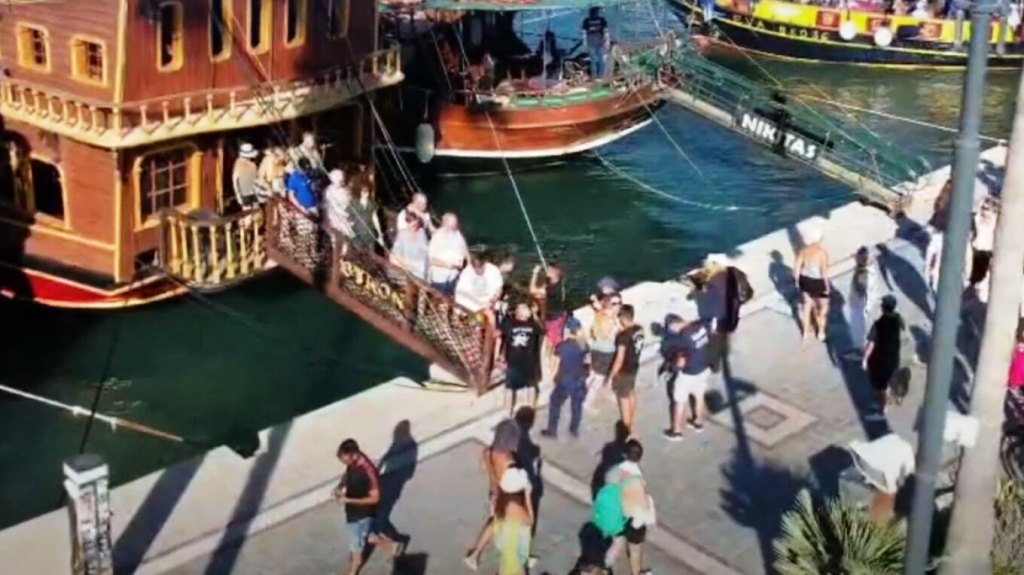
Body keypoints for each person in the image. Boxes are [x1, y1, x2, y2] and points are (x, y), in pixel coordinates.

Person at [333, 439, 403, 575]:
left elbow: (375, 498)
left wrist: (348, 500)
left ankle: (353, 571)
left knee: (356, 547)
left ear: (354, 455)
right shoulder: (355, 462)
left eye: (345, 460)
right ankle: (391, 547)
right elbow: (348, 473)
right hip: (353, 512)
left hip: (361, 515)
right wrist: (340, 486)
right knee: (366, 536)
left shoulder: (368, 472)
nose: (345, 463)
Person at [465, 419, 522, 571]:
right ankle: (476, 554)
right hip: (507, 496)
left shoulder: (488, 452)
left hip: (494, 492)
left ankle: (475, 554)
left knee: (495, 522)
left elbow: (483, 467)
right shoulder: (510, 461)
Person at [604, 440, 655, 575]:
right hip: (636, 518)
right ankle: (636, 571)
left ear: (625, 454)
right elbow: (643, 502)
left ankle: (602, 568)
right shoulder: (637, 476)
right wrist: (649, 519)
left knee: (616, 544)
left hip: (618, 515)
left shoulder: (613, 472)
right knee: (635, 549)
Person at [660, 315, 710, 440]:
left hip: (689, 373)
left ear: (674, 325)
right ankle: (698, 422)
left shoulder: (682, 338)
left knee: (679, 400)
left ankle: (676, 431)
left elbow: (676, 358)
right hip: (703, 367)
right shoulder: (700, 328)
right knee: (699, 395)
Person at [542, 317, 590, 439]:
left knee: (555, 403)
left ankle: (552, 430)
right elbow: (587, 363)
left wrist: (553, 377)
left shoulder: (562, 346)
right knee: (577, 406)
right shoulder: (584, 345)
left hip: (564, 379)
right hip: (579, 379)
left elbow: (555, 363)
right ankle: (574, 429)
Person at [862, 295, 906, 420]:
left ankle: (883, 410)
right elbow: (903, 327)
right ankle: (894, 396)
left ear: (882, 307)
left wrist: (865, 358)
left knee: (883, 386)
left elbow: (871, 344)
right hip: (893, 356)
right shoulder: (897, 318)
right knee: (890, 379)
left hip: (881, 359)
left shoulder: (878, 324)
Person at [606, 304, 644, 437]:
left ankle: (628, 429)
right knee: (631, 392)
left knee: (623, 399)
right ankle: (631, 420)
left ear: (622, 318)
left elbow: (619, 359)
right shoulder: (639, 329)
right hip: (634, 367)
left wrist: (610, 377)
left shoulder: (623, 337)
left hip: (624, 371)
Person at [501, 302, 543, 415]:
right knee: (509, 388)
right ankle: (507, 413)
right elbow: (500, 330)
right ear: (518, 312)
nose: (527, 311)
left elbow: (542, 329)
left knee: (531, 386)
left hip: (530, 361)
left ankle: (530, 410)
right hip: (513, 362)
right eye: (524, 308)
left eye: (527, 308)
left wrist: (534, 314)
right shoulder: (509, 323)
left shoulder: (533, 324)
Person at [491, 467, 534, 575]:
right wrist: (528, 498)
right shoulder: (515, 508)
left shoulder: (500, 502)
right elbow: (529, 521)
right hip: (515, 558)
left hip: (506, 555)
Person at [794, 226, 831, 343]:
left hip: (805, 281)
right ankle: (821, 331)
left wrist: (797, 282)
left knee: (807, 306)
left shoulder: (803, 251)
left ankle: (805, 333)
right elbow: (823, 272)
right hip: (818, 283)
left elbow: (797, 268)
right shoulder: (821, 253)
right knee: (824, 306)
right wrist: (827, 287)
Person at [530, 262, 568, 370]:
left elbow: (532, 290)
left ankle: (553, 365)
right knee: (556, 339)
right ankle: (554, 362)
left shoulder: (552, 289)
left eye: (550, 270)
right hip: (560, 315)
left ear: (557, 272)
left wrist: (535, 273)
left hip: (553, 319)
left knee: (552, 342)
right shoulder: (559, 283)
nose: (547, 270)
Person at [587, 293, 621, 410]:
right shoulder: (608, 318)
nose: (617, 306)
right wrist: (615, 327)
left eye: (619, 303)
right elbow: (605, 335)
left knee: (597, 375)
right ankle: (587, 402)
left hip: (600, 350)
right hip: (604, 352)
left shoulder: (603, 313)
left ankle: (607, 392)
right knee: (599, 378)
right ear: (608, 304)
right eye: (614, 304)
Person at [845, 246, 878, 361]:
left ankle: (861, 352)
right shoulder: (869, 269)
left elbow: (861, 290)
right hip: (865, 305)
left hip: (860, 306)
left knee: (858, 330)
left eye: (857, 258)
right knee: (863, 330)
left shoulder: (863, 275)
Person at [456, 254, 505, 327]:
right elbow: (461, 294)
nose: (479, 270)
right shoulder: (466, 273)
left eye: (481, 267)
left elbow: (499, 288)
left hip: (489, 303)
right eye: (476, 268)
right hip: (473, 305)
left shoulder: (493, 270)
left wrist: (494, 299)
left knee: (491, 316)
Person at [428, 213, 469, 294]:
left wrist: (469, 266)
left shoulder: (457, 234)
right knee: (440, 298)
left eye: (455, 225)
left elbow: (465, 251)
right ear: (445, 225)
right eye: (452, 226)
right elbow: (431, 260)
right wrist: (448, 265)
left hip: (454, 277)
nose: (454, 228)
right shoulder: (437, 238)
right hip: (440, 280)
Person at [971, 197, 998, 303]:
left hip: (987, 252)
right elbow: (976, 212)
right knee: (976, 279)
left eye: (987, 209)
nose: (984, 212)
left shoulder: (994, 222)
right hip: (976, 250)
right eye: (983, 209)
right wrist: (982, 202)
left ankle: (980, 295)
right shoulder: (978, 220)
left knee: (982, 278)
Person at [389, 212, 429, 281]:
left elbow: (426, 251)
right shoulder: (402, 234)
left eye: (416, 224)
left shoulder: (422, 232)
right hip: (408, 268)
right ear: (407, 224)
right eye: (412, 224)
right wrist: (405, 266)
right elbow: (393, 256)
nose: (415, 226)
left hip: (421, 268)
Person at [347, 185, 384, 252]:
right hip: (357, 234)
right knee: (358, 252)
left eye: (366, 191)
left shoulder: (371, 204)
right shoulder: (354, 203)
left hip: (369, 233)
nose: (365, 193)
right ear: (360, 192)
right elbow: (347, 218)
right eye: (363, 191)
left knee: (371, 253)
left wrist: (379, 233)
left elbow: (375, 219)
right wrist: (349, 229)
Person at [323, 169, 353, 240]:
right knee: (335, 237)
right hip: (333, 218)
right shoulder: (328, 191)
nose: (342, 182)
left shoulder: (346, 190)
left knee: (346, 237)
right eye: (340, 181)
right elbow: (326, 205)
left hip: (344, 217)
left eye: (342, 180)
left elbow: (349, 202)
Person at [581, 6, 609, 78]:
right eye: (593, 11)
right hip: (591, 43)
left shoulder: (602, 20)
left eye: (596, 11)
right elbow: (584, 33)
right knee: (593, 60)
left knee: (601, 60)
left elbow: (606, 32)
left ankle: (601, 76)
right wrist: (585, 42)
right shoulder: (587, 21)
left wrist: (607, 41)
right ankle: (594, 76)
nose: (594, 13)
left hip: (600, 43)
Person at [232, 142, 261, 208]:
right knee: (248, 212)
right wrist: (238, 195)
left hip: (253, 192)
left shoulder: (252, 164)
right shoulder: (239, 164)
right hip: (245, 194)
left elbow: (257, 178)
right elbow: (235, 180)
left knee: (255, 211)